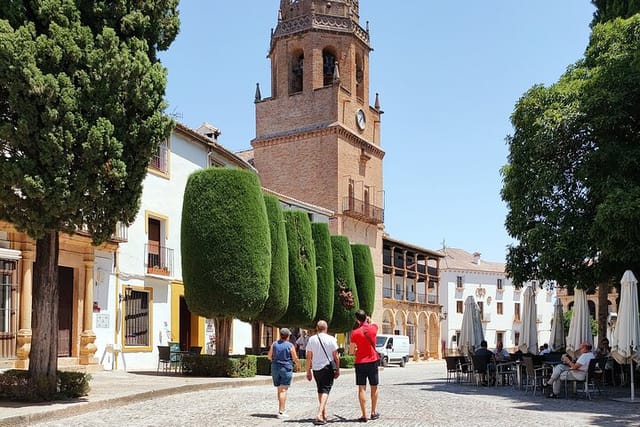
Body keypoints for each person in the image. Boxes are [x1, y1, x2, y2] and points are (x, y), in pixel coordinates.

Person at [306, 321, 340, 425]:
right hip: (327, 367)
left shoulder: (312, 339)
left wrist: (308, 371)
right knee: (325, 390)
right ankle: (320, 413)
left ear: (317, 328)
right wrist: (338, 369)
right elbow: (336, 356)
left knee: (320, 390)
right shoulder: (331, 339)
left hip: (316, 368)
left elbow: (308, 357)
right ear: (326, 328)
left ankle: (324, 414)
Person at [349, 310, 380, 422]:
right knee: (374, 386)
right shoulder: (374, 328)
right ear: (366, 317)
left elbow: (351, 351)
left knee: (361, 388)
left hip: (360, 362)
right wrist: (369, 320)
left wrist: (357, 349)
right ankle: (373, 412)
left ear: (357, 320)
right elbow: (374, 323)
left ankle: (364, 415)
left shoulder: (355, 333)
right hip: (372, 361)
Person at [267, 327, 300, 419]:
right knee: (283, 390)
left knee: (279, 389)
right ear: (288, 336)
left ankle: (281, 408)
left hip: (275, 368)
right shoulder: (290, 345)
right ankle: (281, 411)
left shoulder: (274, 344)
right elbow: (294, 358)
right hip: (286, 368)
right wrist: (298, 365)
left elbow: (269, 356)